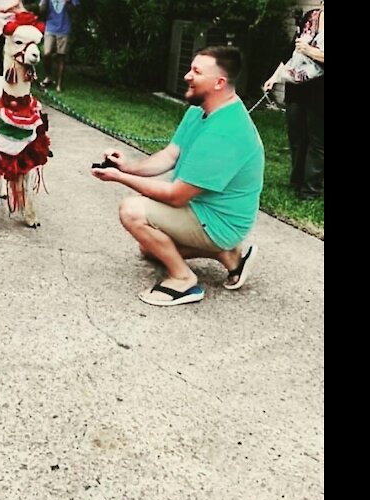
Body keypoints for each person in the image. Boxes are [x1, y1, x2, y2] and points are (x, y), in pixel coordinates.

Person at [91, 46, 264, 307]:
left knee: (132, 211)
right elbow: (170, 155)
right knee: (149, 248)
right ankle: (228, 255)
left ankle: (183, 280)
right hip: (200, 210)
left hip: (220, 221)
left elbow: (176, 196)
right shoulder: (201, 107)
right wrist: (127, 166)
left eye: (196, 71)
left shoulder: (227, 132)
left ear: (219, 83)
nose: (187, 76)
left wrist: (118, 178)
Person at [263, 0, 324, 200]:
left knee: (317, 142)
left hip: (321, 92)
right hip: (297, 87)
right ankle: (296, 182)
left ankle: (310, 191)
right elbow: (291, 51)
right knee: (297, 137)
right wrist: (274, 77)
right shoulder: (311, 17)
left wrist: (310, 51)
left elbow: (305, 50)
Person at [38, 0, 80, 92]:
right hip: (50, 27)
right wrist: (46, 0)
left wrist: (68, 1)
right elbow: (41, 10)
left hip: (64, 27)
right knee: (46, 53)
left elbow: (75, 10)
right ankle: (48, 76)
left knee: (61, 56)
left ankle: (59, 84)